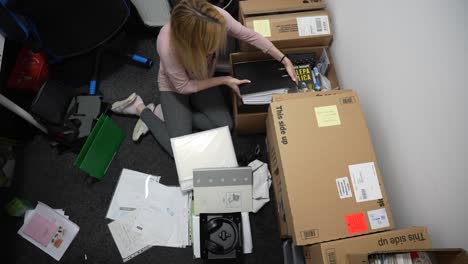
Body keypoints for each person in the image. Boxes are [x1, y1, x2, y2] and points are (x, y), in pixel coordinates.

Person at [111, 0, 297, 157]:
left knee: (225, 125)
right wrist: (224, 80)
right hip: (175, 87)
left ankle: (167, 115)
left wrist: (283, 58)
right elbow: (184, 86)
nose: (218, 44)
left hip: (203, 77)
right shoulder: (167, 44)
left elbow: (248, 35)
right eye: (212, 43)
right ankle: (141, 109)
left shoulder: (214, 17)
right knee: (179, 151)